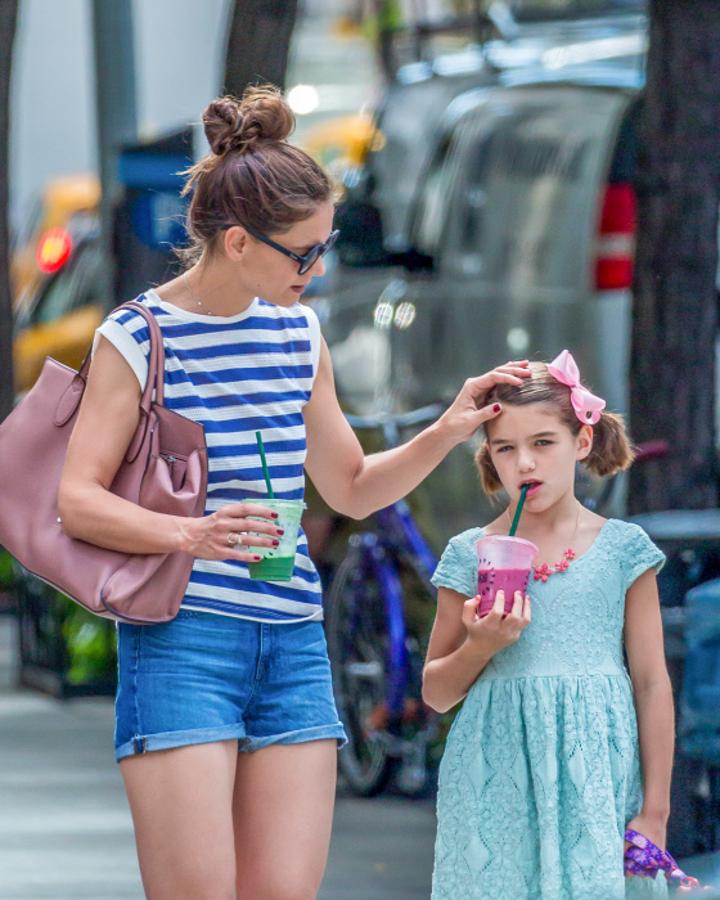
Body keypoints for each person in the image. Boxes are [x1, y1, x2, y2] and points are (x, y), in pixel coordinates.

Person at [57, 85, 531, 900]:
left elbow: (348, 486)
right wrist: (191, 535)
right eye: (302, 254)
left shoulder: (296, 333)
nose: (318, 270)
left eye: (325, 247)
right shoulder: (139, 336)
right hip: (183, 643)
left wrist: (451, 425)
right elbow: (77, 499)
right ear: (238, 241)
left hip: (292, 645)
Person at [422, 351, 676, 900]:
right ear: (489, 455)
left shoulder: (622, 551)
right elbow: (437, 693)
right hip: (496, 782)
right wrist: (480, 646)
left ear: (581, 443)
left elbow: (652, 683)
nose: (525, 465)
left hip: (597, 784)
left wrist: (655, 811)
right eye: (505, 449)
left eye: (543, 443)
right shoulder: (470, 555)